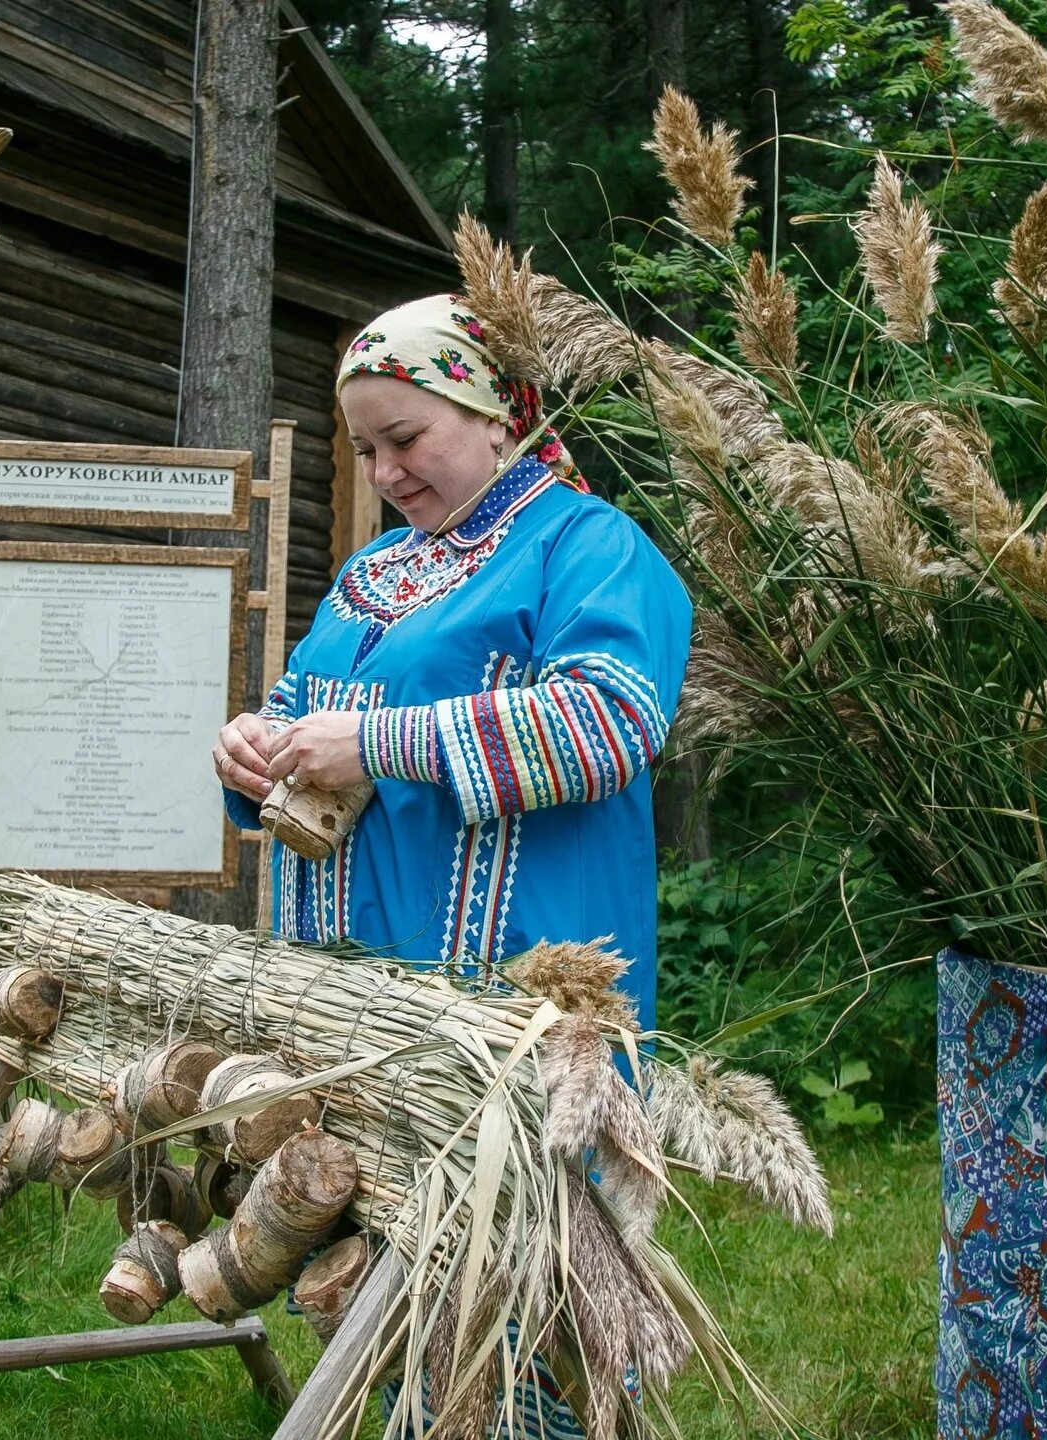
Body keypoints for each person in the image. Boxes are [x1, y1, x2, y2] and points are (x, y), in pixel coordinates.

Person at [214, 293, 692, 1031]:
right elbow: (301, 708)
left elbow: (609, 721)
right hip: (339, 996)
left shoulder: (588, 545)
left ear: (494, 414)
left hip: (513, 1003)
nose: (382, 473)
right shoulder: (368, 571)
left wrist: (373, 746)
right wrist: (254, 749)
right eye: (365, 450)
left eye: (404, 438)